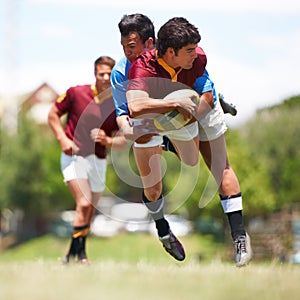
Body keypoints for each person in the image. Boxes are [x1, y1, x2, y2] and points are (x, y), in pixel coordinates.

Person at [112, 14, 251, 267]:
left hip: (197, 105)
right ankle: (164, 231)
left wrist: (190, 118)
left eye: (132, 47)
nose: (127, 54)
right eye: (123, 47)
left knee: (218, 165)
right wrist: (138, 129)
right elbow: (127, 116)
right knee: (152, 186)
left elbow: (204, 98)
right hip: (153, 114)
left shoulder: (188, 56)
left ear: (152, 43)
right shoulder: (124, 73)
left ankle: (240, 237)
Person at [48, 56, 126, 264]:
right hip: (73, 156)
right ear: (95, 74)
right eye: (102, 73)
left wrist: (108, 140)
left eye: (109, 74)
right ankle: (79, 256)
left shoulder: (117, 103)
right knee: (83, 203)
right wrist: (62, 138)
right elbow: (53, 114)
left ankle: (73, 255)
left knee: (90, 210)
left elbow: (123, 141)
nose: (105, 77)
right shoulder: (75, 92)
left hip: (99, 160)